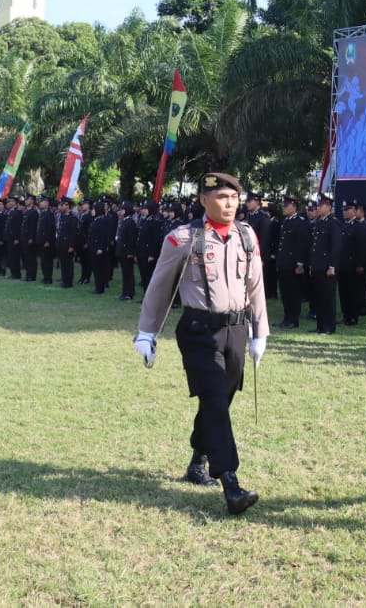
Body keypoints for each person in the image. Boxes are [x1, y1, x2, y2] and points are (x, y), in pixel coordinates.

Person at [132, 172, 268, 515]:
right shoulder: (182, 239)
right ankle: (231, 483)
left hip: (235, 329)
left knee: (221, 399)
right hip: (198, 330)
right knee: (214, 399)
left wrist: (259, 331)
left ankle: (198, 458)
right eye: (222, 197)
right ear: (203, 200)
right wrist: (147, 332)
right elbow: (160, 287)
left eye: (234, 198)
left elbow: (255, 285)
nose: (230, 204)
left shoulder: (247, 236)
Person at [308, 193, 342, 334]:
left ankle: (328, 327)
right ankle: (320, 326)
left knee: (328, 298)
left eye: (321, 205)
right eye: (318, 205)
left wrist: (332, 265)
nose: (318, 208)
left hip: (327, 267)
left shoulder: (333, 223)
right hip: (317, 265)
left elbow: (336, 246)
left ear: (328, 207)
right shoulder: (318, 222)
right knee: (319, 298)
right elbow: (314, 246)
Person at [275, 196, 309, 328]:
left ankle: (293, 319)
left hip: (293, 264)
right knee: (285, 292)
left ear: (294, 207)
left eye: (286, 206)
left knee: (294, 293)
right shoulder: (285, 222)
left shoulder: (300, 222)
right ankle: (286, 318)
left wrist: (300, 263)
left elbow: (302, 245)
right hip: (284, 262)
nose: (283, 208)